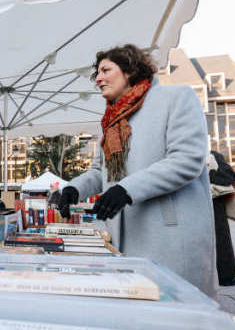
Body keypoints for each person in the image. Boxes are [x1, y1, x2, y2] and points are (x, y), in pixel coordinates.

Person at [58, 44, 216, 296]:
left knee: (173, 316)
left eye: (105, 70)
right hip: (124, 240)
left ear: (129, 70)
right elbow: (101, 171)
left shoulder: (177, 98)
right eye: (96, 74)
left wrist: (127, 189)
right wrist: (73, 189)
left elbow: (186, 160)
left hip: (169, 238)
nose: (98, 79)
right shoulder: (110, 121)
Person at [208, 150, 235, 286]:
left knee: (221, 241)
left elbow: (230, 176)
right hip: (204, 206)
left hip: (215, 206)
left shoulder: (213, 155)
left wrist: (208, 173)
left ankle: (226, 276)